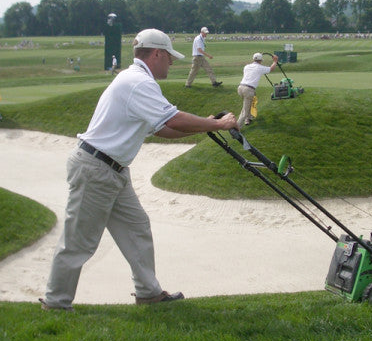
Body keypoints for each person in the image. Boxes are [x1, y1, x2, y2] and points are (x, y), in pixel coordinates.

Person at [41, 29, 237, 311]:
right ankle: (55, 303)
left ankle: (148, 292)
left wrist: (205, 123)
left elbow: (163, 129)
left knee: (137, 227)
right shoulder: (138, 82)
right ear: (156, 53)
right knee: (79, 241)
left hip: (113, 170)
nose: (171, 62)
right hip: (96, 169)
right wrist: (219, 124)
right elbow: (175, 119)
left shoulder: (135, 80)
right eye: (169, 57)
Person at [237, 53, 278, 128]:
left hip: (240, 88)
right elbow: (271, 69)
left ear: (253, 59)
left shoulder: (247, 66)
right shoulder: (260, 68)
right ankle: (236, 128)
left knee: (249, 103)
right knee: (244, 110)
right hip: (248, 89)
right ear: (261, 60)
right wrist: (275, 61)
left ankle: (248, 119)